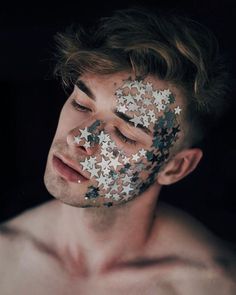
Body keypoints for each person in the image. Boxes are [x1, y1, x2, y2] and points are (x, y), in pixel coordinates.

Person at [0, 6, 235, 294]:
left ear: (175, 167)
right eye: (81, 104)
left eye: (124, 133)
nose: (79, 137)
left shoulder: (212, 284)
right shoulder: (6, 258)